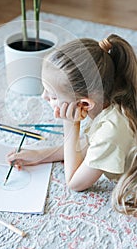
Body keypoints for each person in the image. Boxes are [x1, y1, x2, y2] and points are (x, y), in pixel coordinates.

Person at [7, 34, 137, 216]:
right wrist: (40, 155)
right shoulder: (113, 97)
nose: (44, 97)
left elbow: (75, 182)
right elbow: (89, 147)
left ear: (84, 104)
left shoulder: (112, 132)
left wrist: (70, 125)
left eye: (52, 96)